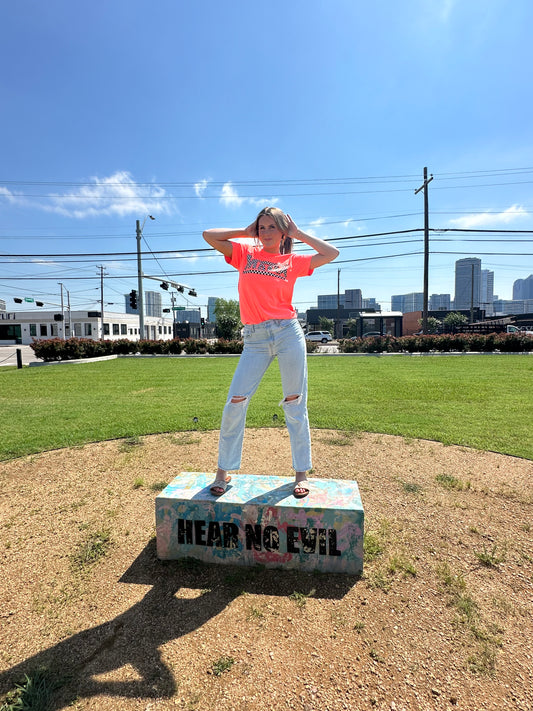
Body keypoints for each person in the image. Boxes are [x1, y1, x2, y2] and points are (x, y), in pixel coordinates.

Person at [203, 207, 339, 498]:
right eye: (261, 227)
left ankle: (301, 473)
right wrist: (246, 230)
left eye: (271, 228)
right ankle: (223, 472)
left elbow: (332, 253)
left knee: (295, 402)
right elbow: (208, 235)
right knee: (235, 401)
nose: (265, 233)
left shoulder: (291, 261)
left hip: (288, 333)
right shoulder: (245, 254)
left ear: (282, 231)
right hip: (254, 338)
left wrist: (299, 233)